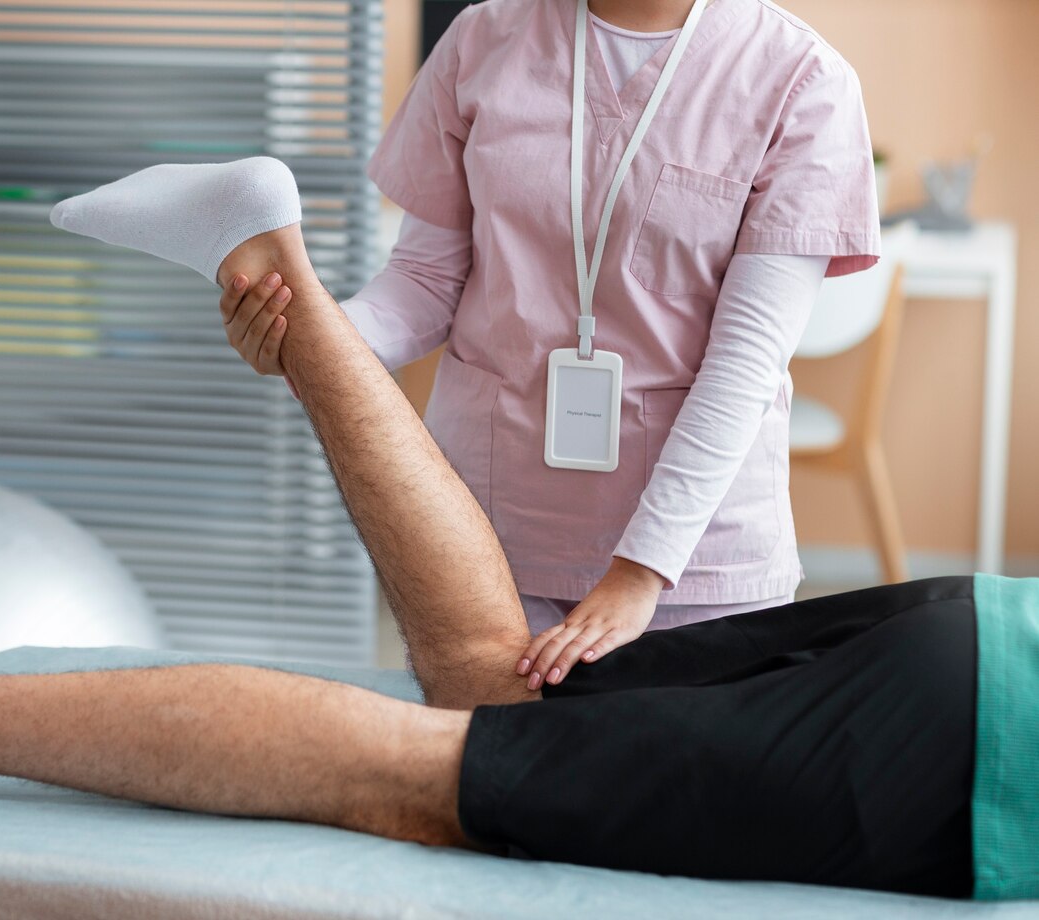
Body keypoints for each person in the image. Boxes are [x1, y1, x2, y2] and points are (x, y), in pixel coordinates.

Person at [0, 200, 1037, 901]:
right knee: (429, 780)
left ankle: (260, 235)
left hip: (987, 643)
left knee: (506, 704)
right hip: (978, 752)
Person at [217, 0, 884, 667]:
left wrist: (640, 571)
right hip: (486, 539)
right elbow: (424, 282)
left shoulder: (802, 79)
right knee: (487, 766)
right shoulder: (483, 39)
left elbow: (746, 361)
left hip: (692, 562)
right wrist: (312, 344)